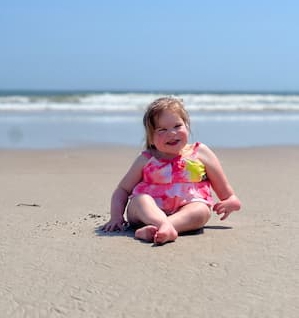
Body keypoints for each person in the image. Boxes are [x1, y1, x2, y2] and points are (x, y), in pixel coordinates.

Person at [102, 96, 241, 244]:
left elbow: (225, 191)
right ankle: (163, 225)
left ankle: (160, 230)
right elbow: (123, 189)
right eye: (162, 129)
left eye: (177, 126)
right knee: (141, 200)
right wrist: (116, 217)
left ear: (186, 126)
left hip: (186, 212)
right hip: (145, 214)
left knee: (201, 210)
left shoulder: (200, 152)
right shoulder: (147, 158)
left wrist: (232, 201)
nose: (171, 133)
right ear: (150, 137)